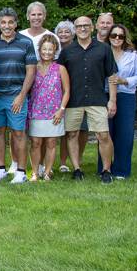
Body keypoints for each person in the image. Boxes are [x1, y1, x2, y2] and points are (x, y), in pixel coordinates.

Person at [57, 16, 118, 183]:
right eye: (79, 26)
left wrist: (112, 100)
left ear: (92, 28)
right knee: (72, 134)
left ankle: (106, 170)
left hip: (97, 99)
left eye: (86, 26)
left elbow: (112, 76)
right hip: (73, 100)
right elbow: (60, 78)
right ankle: (77, 169)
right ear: (75, 29)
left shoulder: (104, 49)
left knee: (103, 135)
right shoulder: (67, 52)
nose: (82, 29)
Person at [0, 7, 36, 184]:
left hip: (17, 96)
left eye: (10, 22)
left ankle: (21, 172)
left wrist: (22, 95)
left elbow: (31, 71)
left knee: (18, 133)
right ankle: (1, 169)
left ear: (16, 23)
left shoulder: (26, 43)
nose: (7, 26)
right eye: (3, 22)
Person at [98, 24, 137, 179]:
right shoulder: (102, 52)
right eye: (114, 35)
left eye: (120, 36)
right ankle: (104, 169)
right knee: (105, 132)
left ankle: (121, 170)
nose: (117, 38)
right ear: (108, 37)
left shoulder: (132, 56)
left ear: (125, 38)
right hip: (104, 95)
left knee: (124, 133)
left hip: (126, 96)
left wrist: (125, 80)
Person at [28, 35, 69, 181]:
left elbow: (67, 91)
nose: (47, 52)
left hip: (54, 113)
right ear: (39, 50)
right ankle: (34, 172)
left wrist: (61, 109)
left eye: (50, 49)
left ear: (55, 51)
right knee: (35, 143)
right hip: (36, 111)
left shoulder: (60, 68)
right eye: (44, 49)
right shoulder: (33, 67)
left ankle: (47, 172)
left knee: (51, 143)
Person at [54, 20, 87, 172]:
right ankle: (62, 162)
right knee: (64, 130)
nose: (63, 34)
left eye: (67, 31)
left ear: (73, 33)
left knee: (82, 129)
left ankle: (77, 159)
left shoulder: (80, 48)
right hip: (58, 94)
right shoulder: (54, 49)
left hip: (79, 93)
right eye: (60, 31)